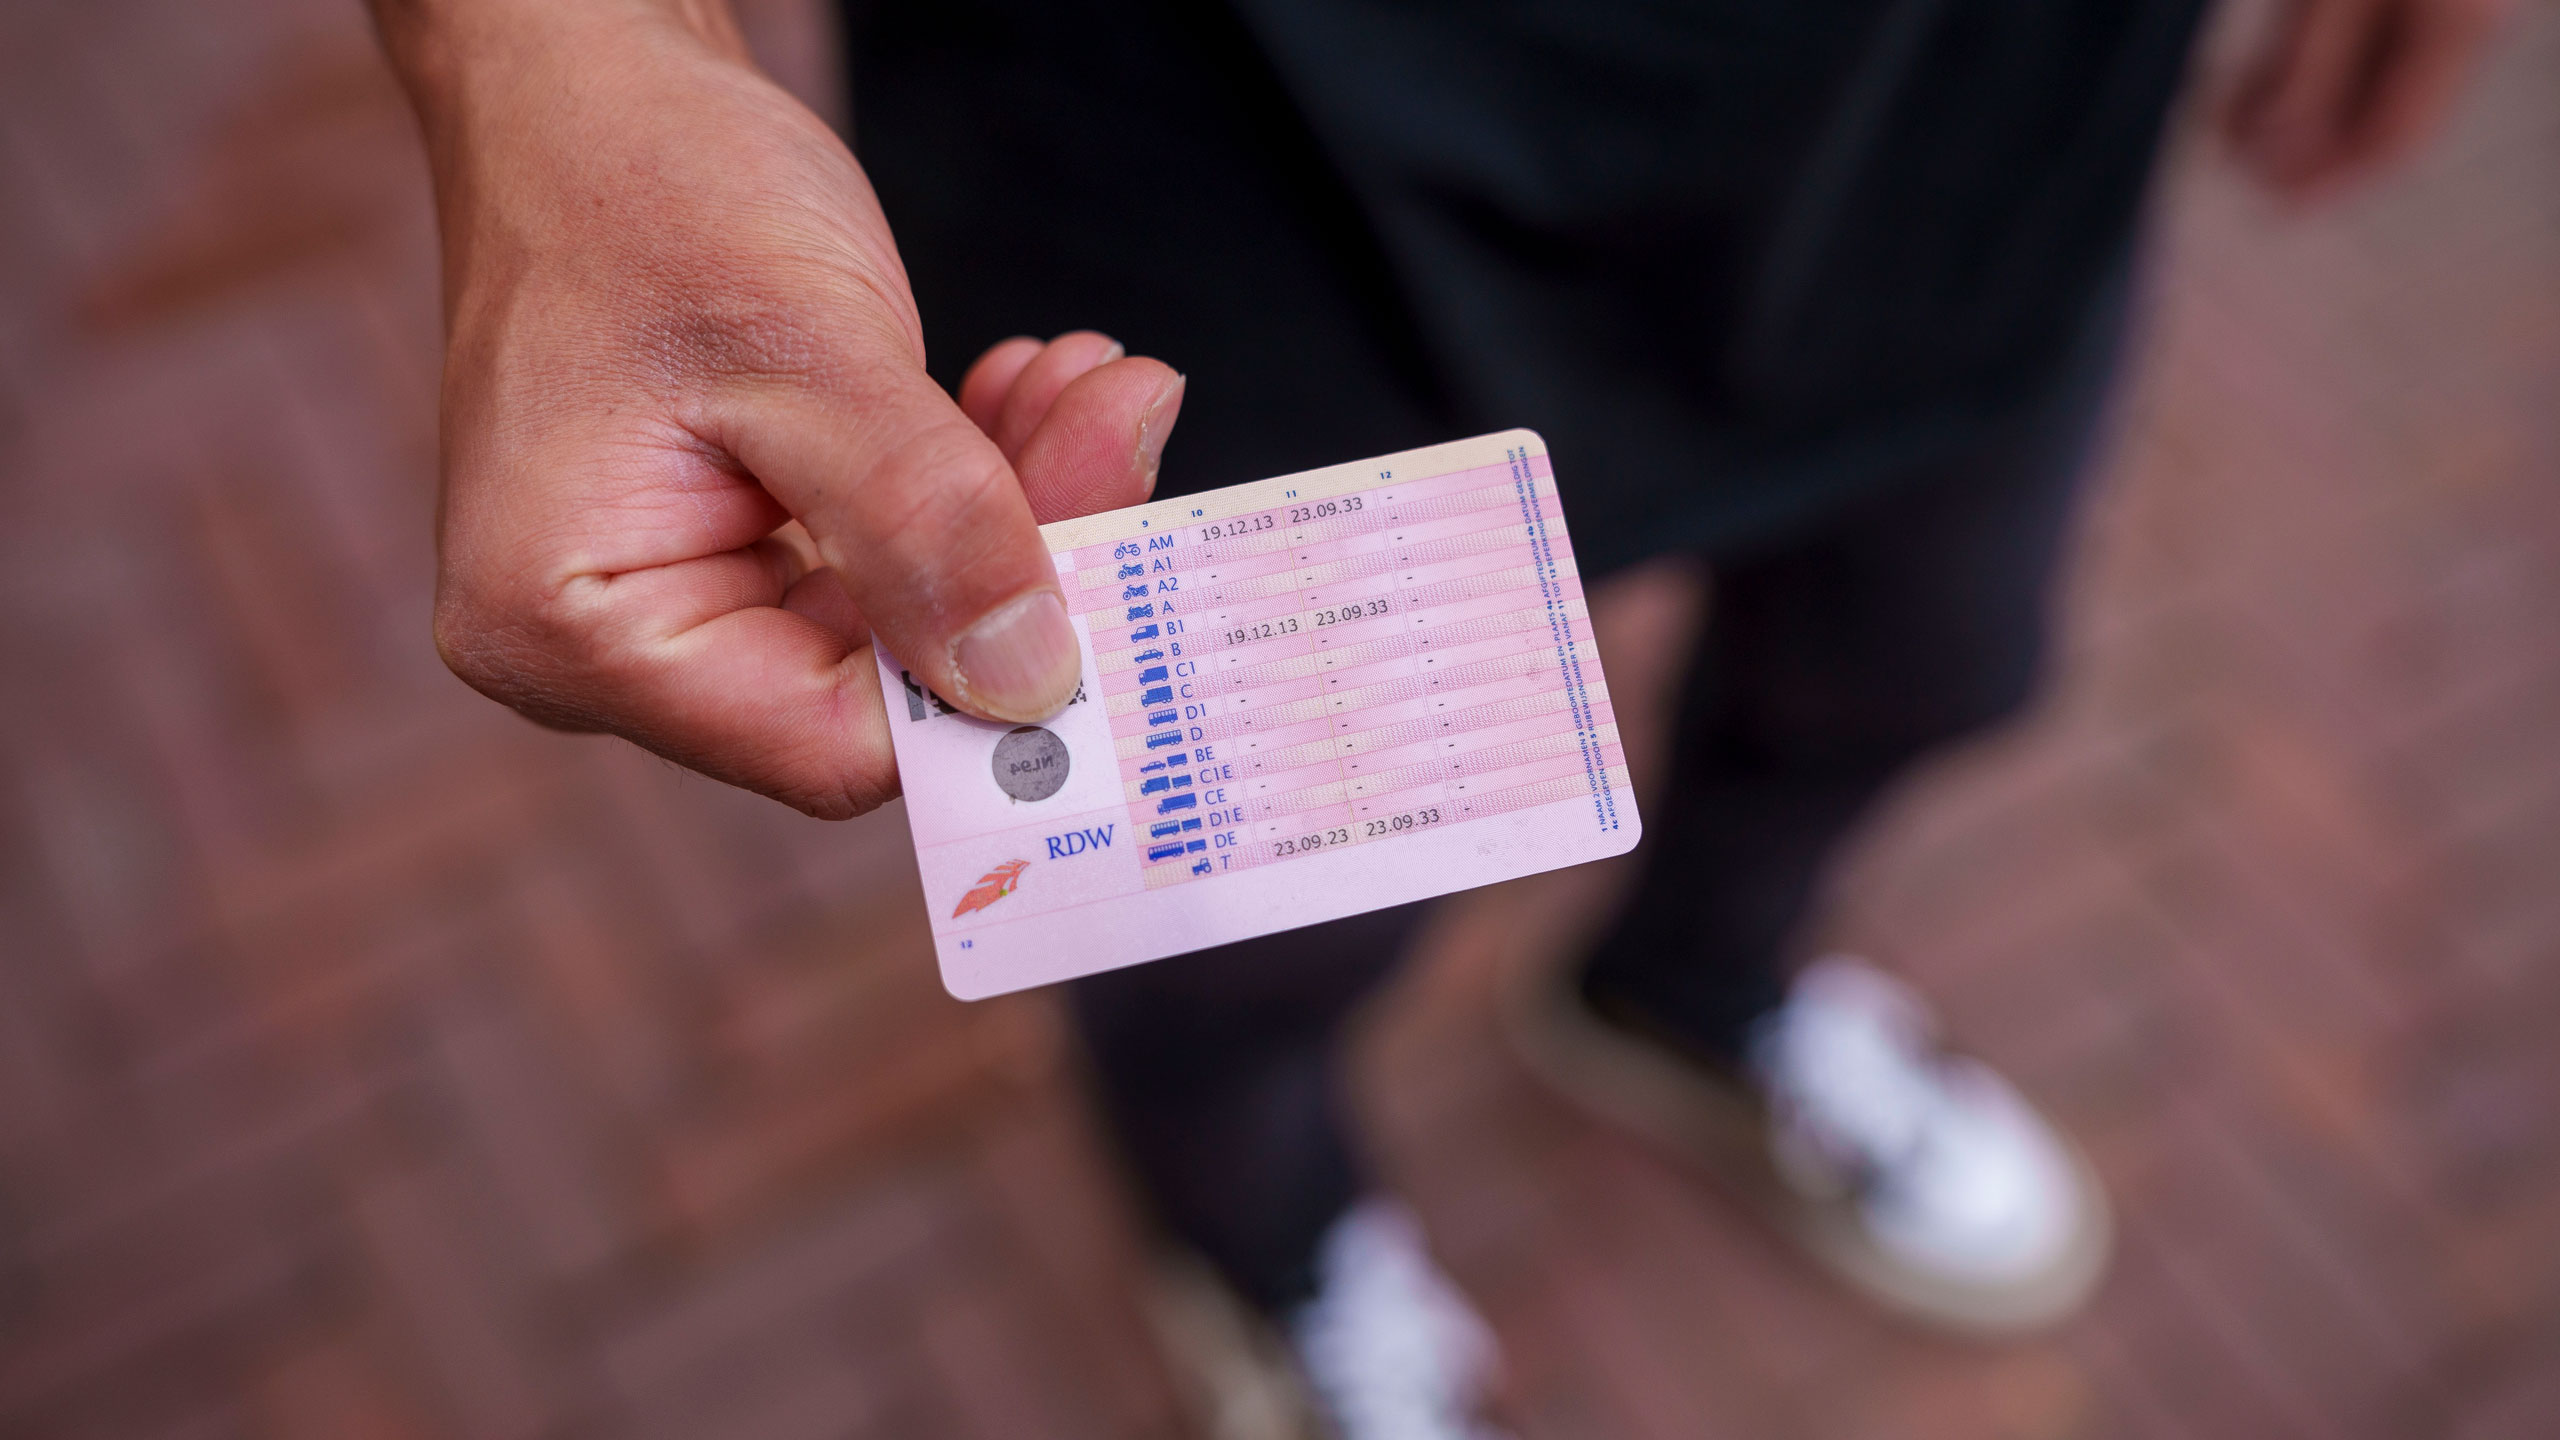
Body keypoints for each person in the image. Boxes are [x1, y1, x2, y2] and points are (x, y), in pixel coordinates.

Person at [370, 0, 2508, 1433]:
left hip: (1962, 107)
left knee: (1921, 658)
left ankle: (1685, 998)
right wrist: (543, 61)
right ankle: (1267, 1255)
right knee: (1243, 915)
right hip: (1238, 142)